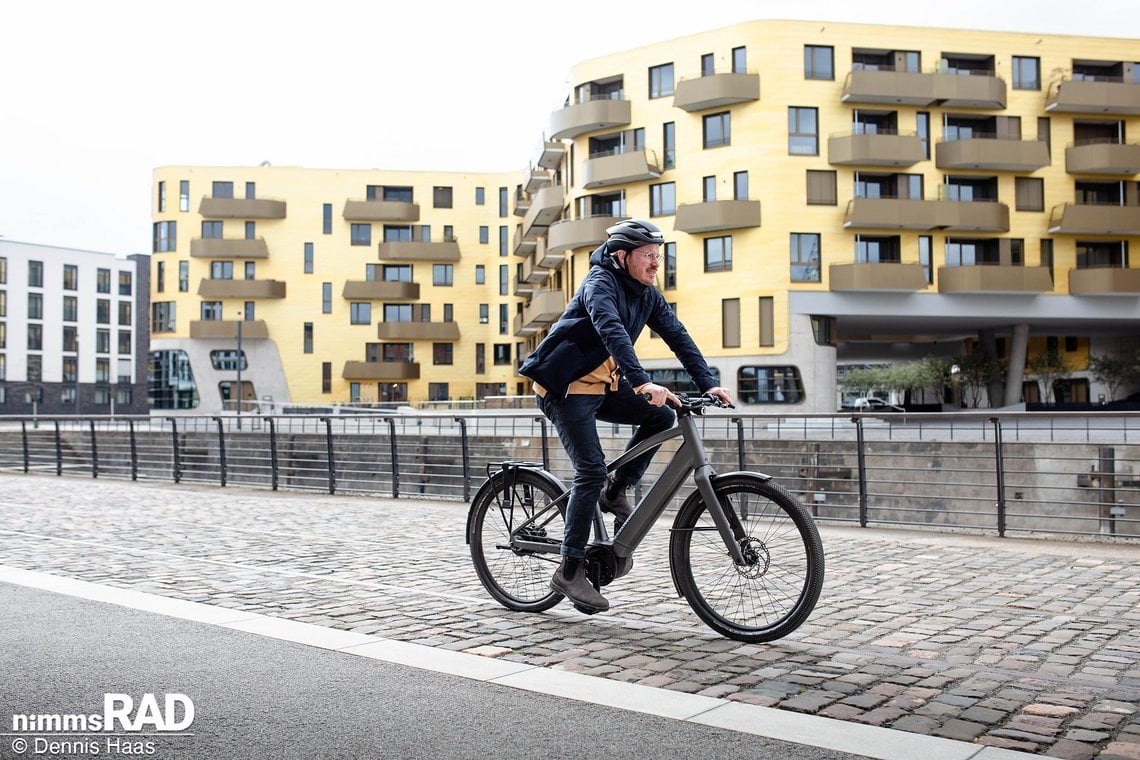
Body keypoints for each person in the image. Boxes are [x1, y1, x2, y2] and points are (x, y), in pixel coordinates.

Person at [518, 219, 734, 613]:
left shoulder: (647, 294)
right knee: (589, 471)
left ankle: (615, 492)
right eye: (649, 256)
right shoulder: (599, 284)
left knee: (662, 417)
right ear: (622, 256)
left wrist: (708, 383)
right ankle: (569, 569)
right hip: (566, 388)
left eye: (659, 256)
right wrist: (642, 382)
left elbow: (677, 334)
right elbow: (611, 331)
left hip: (604, 386)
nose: (656, 264)